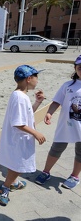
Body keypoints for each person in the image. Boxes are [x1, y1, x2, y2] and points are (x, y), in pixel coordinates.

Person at [0, 65, 46, 206]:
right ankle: (5, 187)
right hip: (18, 138)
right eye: (36, 77)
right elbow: (18, 123)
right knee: (18, 165)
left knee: (17, 163)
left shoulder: (21, 95)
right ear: (29, 79)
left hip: (19, 137)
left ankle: (13, 182)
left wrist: (37, 102)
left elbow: (27, 115)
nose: (37, 81)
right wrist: (36, 133)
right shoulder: (19, 97)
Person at [35, 55, 81, 189]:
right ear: (75, 68)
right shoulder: (67, 85)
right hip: (66, 126)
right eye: (80, 68)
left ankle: (74, 176)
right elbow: (57, 101)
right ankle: (46, 171)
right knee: (56, 149)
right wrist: (49, 113)